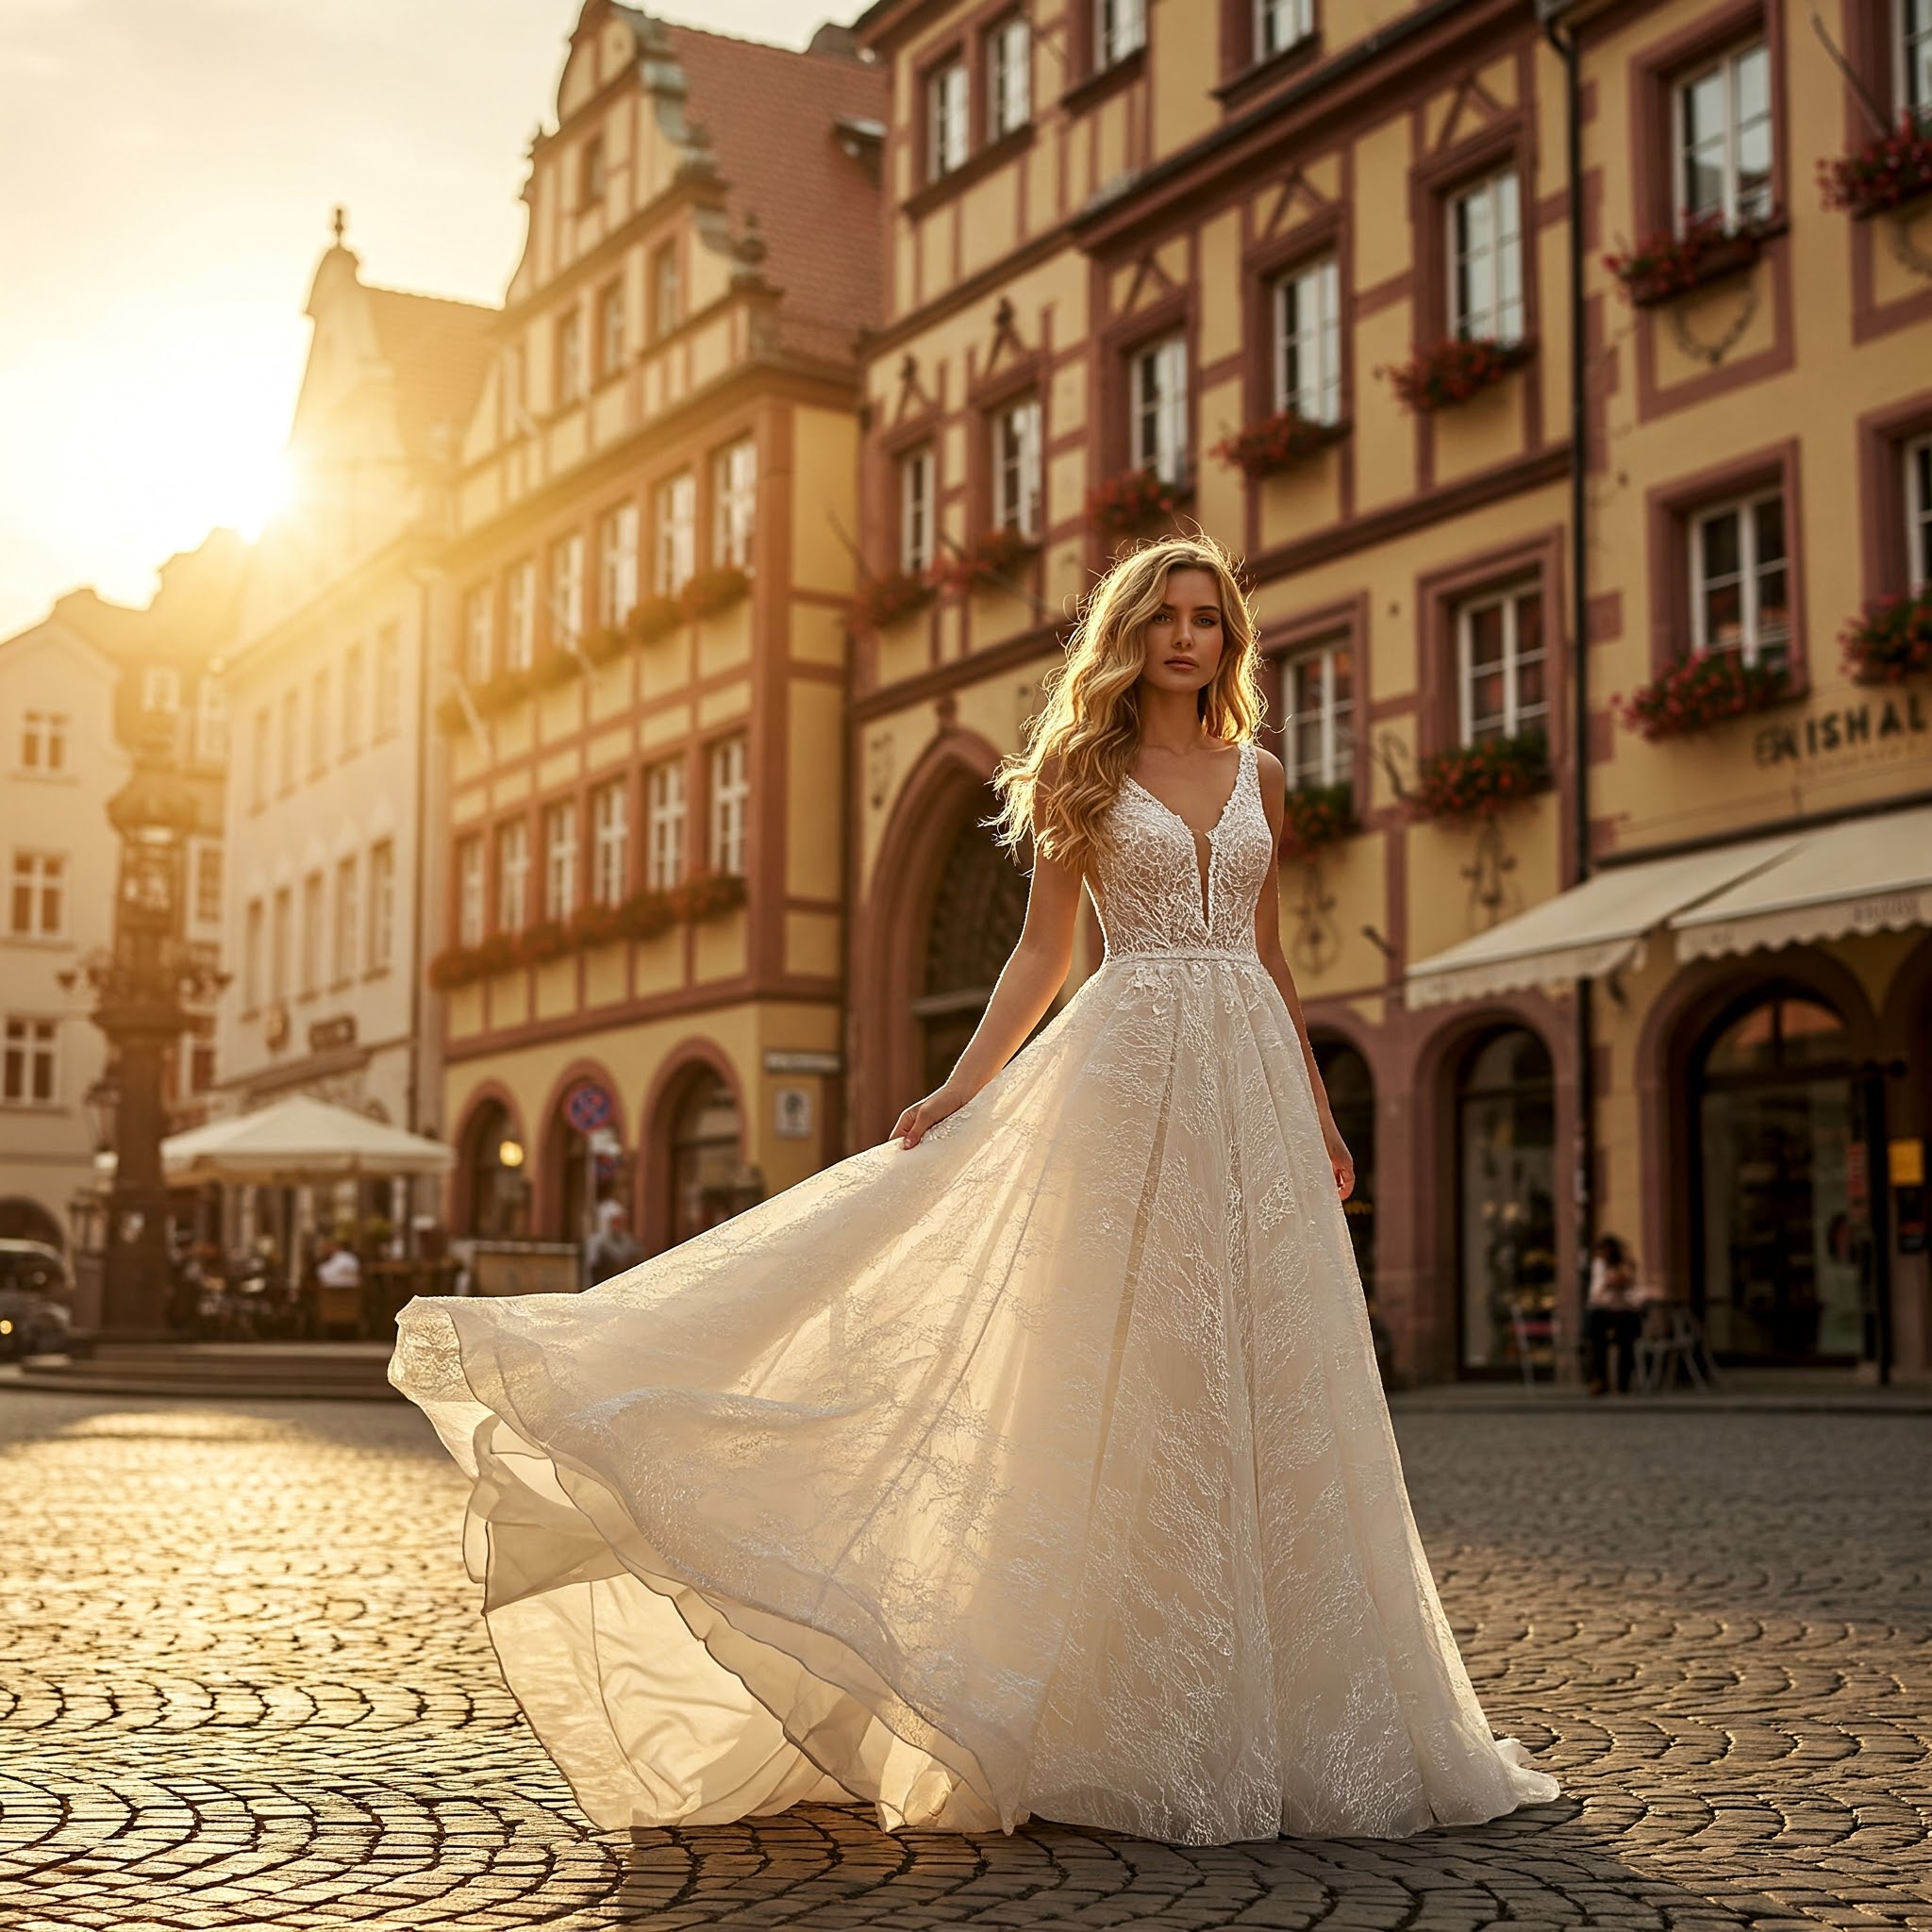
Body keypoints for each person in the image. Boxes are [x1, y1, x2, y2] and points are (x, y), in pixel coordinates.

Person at [390, 534, 1560, 1847]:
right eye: (1167, 617)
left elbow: (1270, 957)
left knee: (1268, 1375)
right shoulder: (1085, 768)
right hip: (1124, 1082)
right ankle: (1107, 1706)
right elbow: (1040, 956)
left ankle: (1283, 1705)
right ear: (1129, 632)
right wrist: (958, 1092)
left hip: (1251, 1091)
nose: (1188, 640)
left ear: (1232, 643)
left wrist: (1320, 1098)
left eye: (1210, 621)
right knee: (1120, 1373)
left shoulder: (1262, 779)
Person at [1585, 1232, 1642, 1395]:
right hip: (1603, 1311)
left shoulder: (1627, 1265)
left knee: (1627, 1338)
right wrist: (1608, 1283)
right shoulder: (1599, 1265)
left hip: (1625, 1311)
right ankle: (1601, 1379)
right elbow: (1595, 1294)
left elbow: (1635, 1292)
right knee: (1596, 1336)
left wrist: (1625, 1280)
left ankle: (1623, 1381)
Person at [584, 1199, 642, 1286]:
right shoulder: (596, 1243)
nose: (618, 1225)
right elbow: (593, 1269)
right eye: (615, 1222)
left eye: (620, 1221)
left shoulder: (628, 1241)